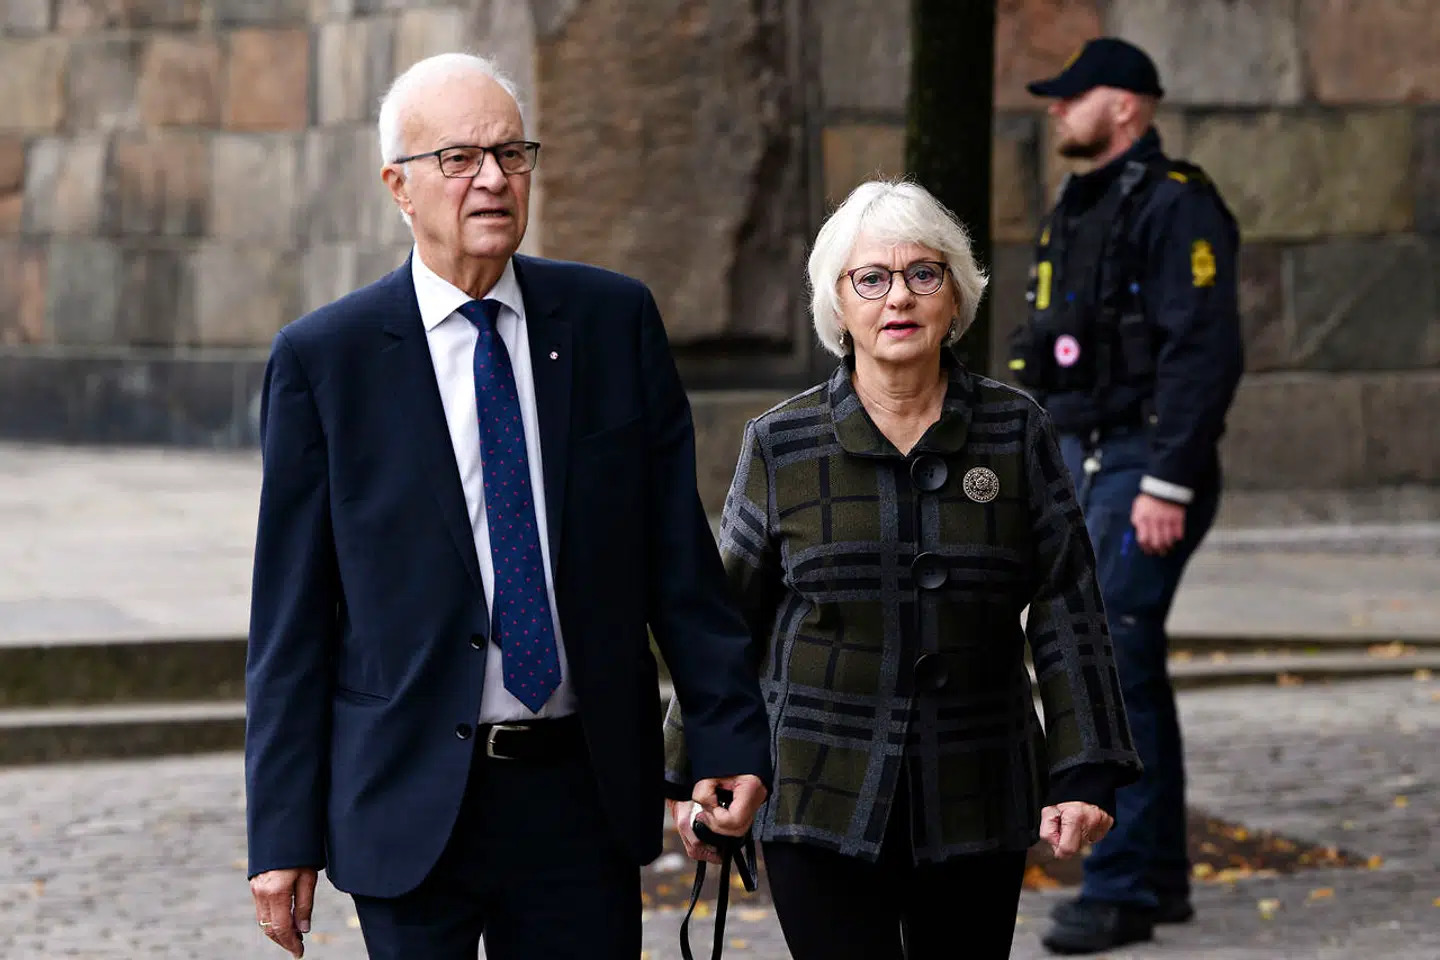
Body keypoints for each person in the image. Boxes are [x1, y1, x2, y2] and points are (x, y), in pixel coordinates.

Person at [243, 52, 772, 960]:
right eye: (459, 159)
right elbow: (290, 617)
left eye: (511, 153)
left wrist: (726, 732)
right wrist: (283, 835)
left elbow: (677, 562)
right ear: (398, 187)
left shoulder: (611, 322)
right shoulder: (325, 361)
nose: (492, 178)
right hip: (409, 795)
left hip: (581, 791)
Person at [661, 179, 1143, 960]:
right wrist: (695, 772)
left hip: (977, 790)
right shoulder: (783, 445)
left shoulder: (1015, 432)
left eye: (925, 274)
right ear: (838, 307)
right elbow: (727, 623)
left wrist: (1084, 771)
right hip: (817, 790)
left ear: (956, 297)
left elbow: (1067, 606)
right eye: (872, 279)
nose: (900, 299)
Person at [1010, 37, 1245, 955]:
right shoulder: (1081, 202)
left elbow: (1203, 350)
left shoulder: (1179, 202)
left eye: (1077, 96)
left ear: (1129, 105)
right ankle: (1160, 880)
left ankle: (1123, 888)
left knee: (1107, 662)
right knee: (1126, 661)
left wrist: (1169, 479)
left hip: (1144, 460)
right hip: (1086, 452)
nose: (1059, 110)